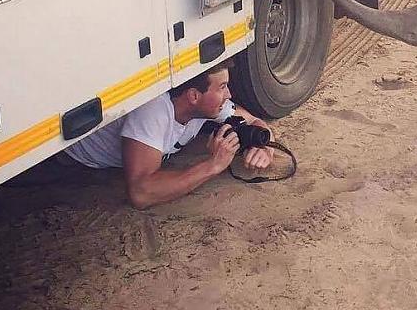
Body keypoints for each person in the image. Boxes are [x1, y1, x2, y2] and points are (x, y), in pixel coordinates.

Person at [63, 60, 273, 209]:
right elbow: (140, 193)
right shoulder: (153, 111)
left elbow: (255, 121)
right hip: (68, 161)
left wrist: (264, 148)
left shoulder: (207, 107)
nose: (229, 95)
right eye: (222, 87)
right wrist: (213, 165)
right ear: (193, 96)